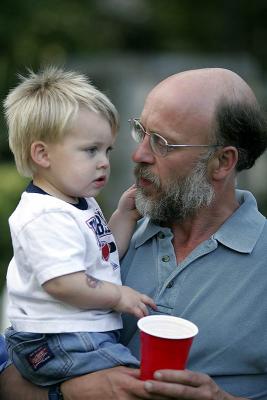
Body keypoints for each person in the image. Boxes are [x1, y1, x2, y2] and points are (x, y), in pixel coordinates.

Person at [2, 66, 267, 400]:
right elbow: (12, 360)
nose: (138, 154)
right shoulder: (78, 232)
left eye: (161, 142)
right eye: (140, 131)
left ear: (222, 162)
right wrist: (66, 392)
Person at [3, 67, 156, 389]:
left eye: (107, 150)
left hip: (75, 334)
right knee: (135, 384)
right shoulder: (45, 215)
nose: (104, 161)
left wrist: (126, 215)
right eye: (90, 150)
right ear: (42, 154)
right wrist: (118, 296)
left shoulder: (78, 202)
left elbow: (101, 255)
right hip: (56, 338)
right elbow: (63, 283)